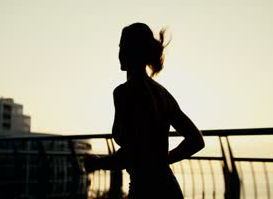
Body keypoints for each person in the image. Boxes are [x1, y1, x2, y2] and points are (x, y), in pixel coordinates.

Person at [85, 23, 205, 198]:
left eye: (122, 46)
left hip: (146, 189)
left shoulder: (125, 92)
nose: (119, 52)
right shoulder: (162, 93)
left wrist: (98, 163)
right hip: (168, 187)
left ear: (132, 51)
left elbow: (132, 152)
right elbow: (196, 140)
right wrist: (161, 161)